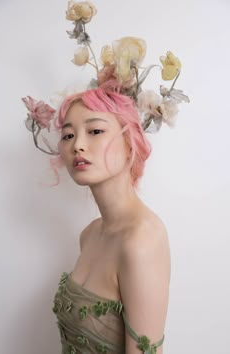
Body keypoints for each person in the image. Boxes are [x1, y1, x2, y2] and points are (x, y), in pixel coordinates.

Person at [21, 2, 189, 352]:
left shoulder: (141, 240)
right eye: (68, 135)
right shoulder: (91, 234)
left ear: (131, 143)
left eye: (95, 131)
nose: (77, 145)